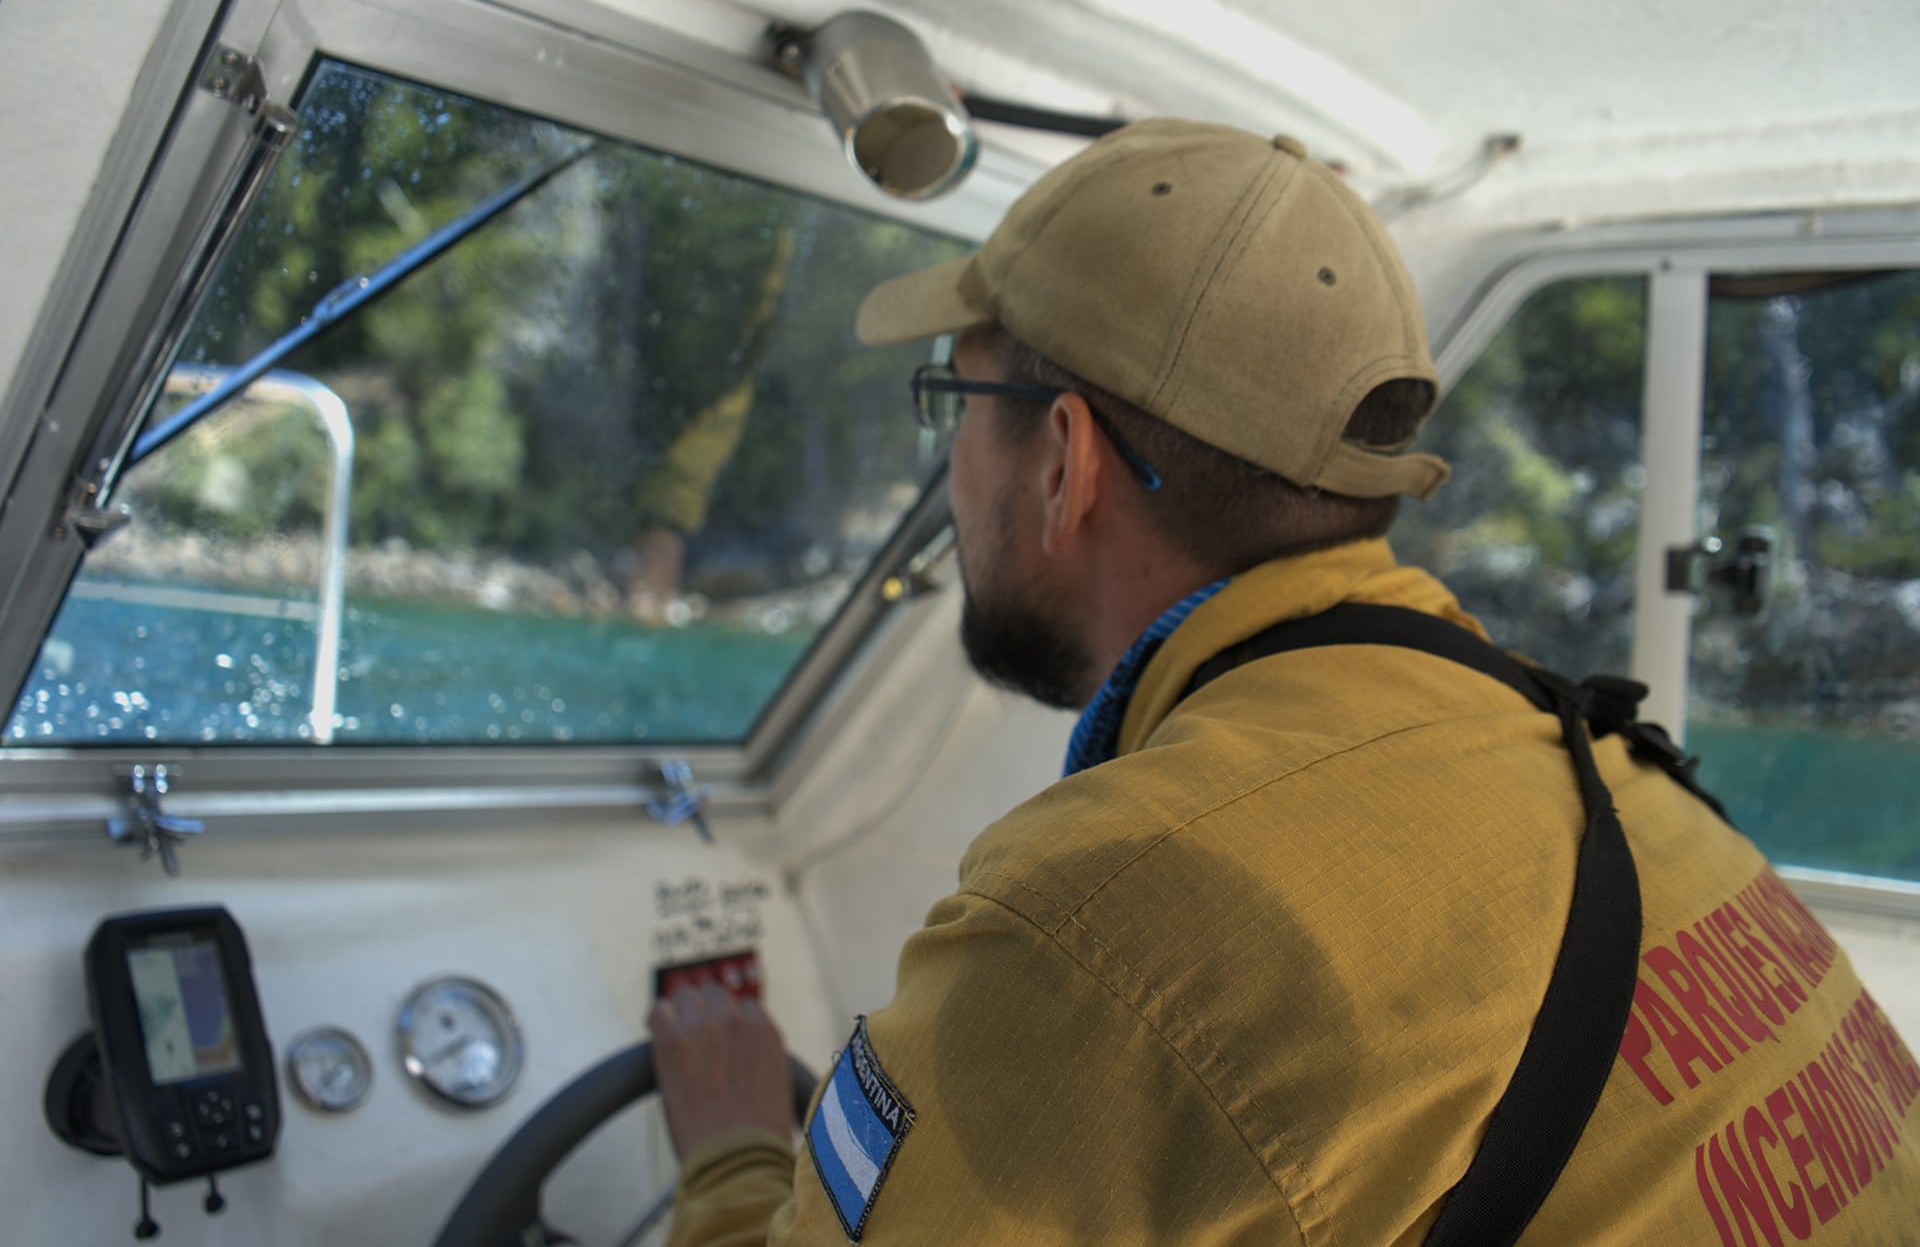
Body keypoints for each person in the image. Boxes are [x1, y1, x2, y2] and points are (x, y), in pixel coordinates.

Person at [648, 120, 1920, 1244]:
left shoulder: (1106, 919)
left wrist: (731, 1149)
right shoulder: (1592, 749)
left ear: (1064, 459)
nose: (952, 470)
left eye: (960, 398)